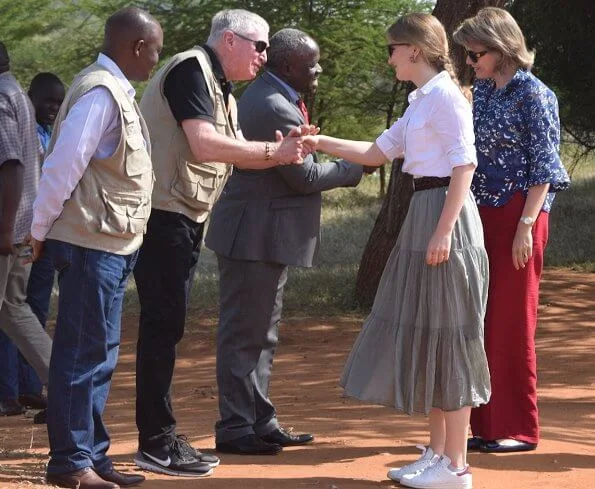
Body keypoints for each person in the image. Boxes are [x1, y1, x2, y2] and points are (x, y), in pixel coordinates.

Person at [304, 13, 490, 489]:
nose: (387, 57)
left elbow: (464, 165)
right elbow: (376, 153)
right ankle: (437, 454)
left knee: (450, 336)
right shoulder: (421, 102)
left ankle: (456, 467)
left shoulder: (446, 97)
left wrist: (444, 231)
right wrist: (317, 141)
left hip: (443, 213)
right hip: (425, 211)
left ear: (413, 49)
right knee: (431, 334)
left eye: (391, 49)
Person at [134, 8, 306, 478]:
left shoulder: (218, 85)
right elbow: (207, 145)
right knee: (161, 329)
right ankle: (155, 441)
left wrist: (279, 150)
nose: (265, 56)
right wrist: (276, 152)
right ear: (230, 41)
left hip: (183, 219)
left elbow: (230, 154)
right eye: (260, 45)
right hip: (162, 218)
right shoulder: (191, 69)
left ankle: (159, 436)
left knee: (166, 328)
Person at [205, 28, 365, 456]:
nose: (318, 70)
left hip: (262, 235)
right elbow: (304, 176)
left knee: (261, 334)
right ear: (287, 65)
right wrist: (355, 165)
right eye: (312, 63)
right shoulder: (274, 105)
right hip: (253, 235)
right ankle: (235, 426)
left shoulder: (273, 96)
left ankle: (259, 419)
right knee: (245, 335)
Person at [29, 7, 163, 489]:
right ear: (136, 46)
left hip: (111, 244)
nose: (155, 61)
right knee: (80, 355)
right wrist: (39, 229)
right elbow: (62, 166)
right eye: (155, 51)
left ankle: (91, 456)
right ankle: (69, 463)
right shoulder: (100, 93)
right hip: (88, 245)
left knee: (100, 354)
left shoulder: (115, 92)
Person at [453, 7, 570, 454]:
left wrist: (526, 226)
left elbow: (545, 166)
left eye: (477, 52)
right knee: (481, 320)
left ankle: (519, 429)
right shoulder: (483, 92)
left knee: (512, 321)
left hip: (521, 214)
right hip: (480, 215)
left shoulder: (534, 94)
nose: (471, 61)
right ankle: (485, 424)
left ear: (501, 49)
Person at [0, 72, 65, 421]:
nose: (52, 108)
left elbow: (10, 168)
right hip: (26, 235)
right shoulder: (20, 102)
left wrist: (5, 231)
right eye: (50, 102)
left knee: (22, 308)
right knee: (16, 309)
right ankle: (57, 386)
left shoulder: (3, 100)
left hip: (14, 235)